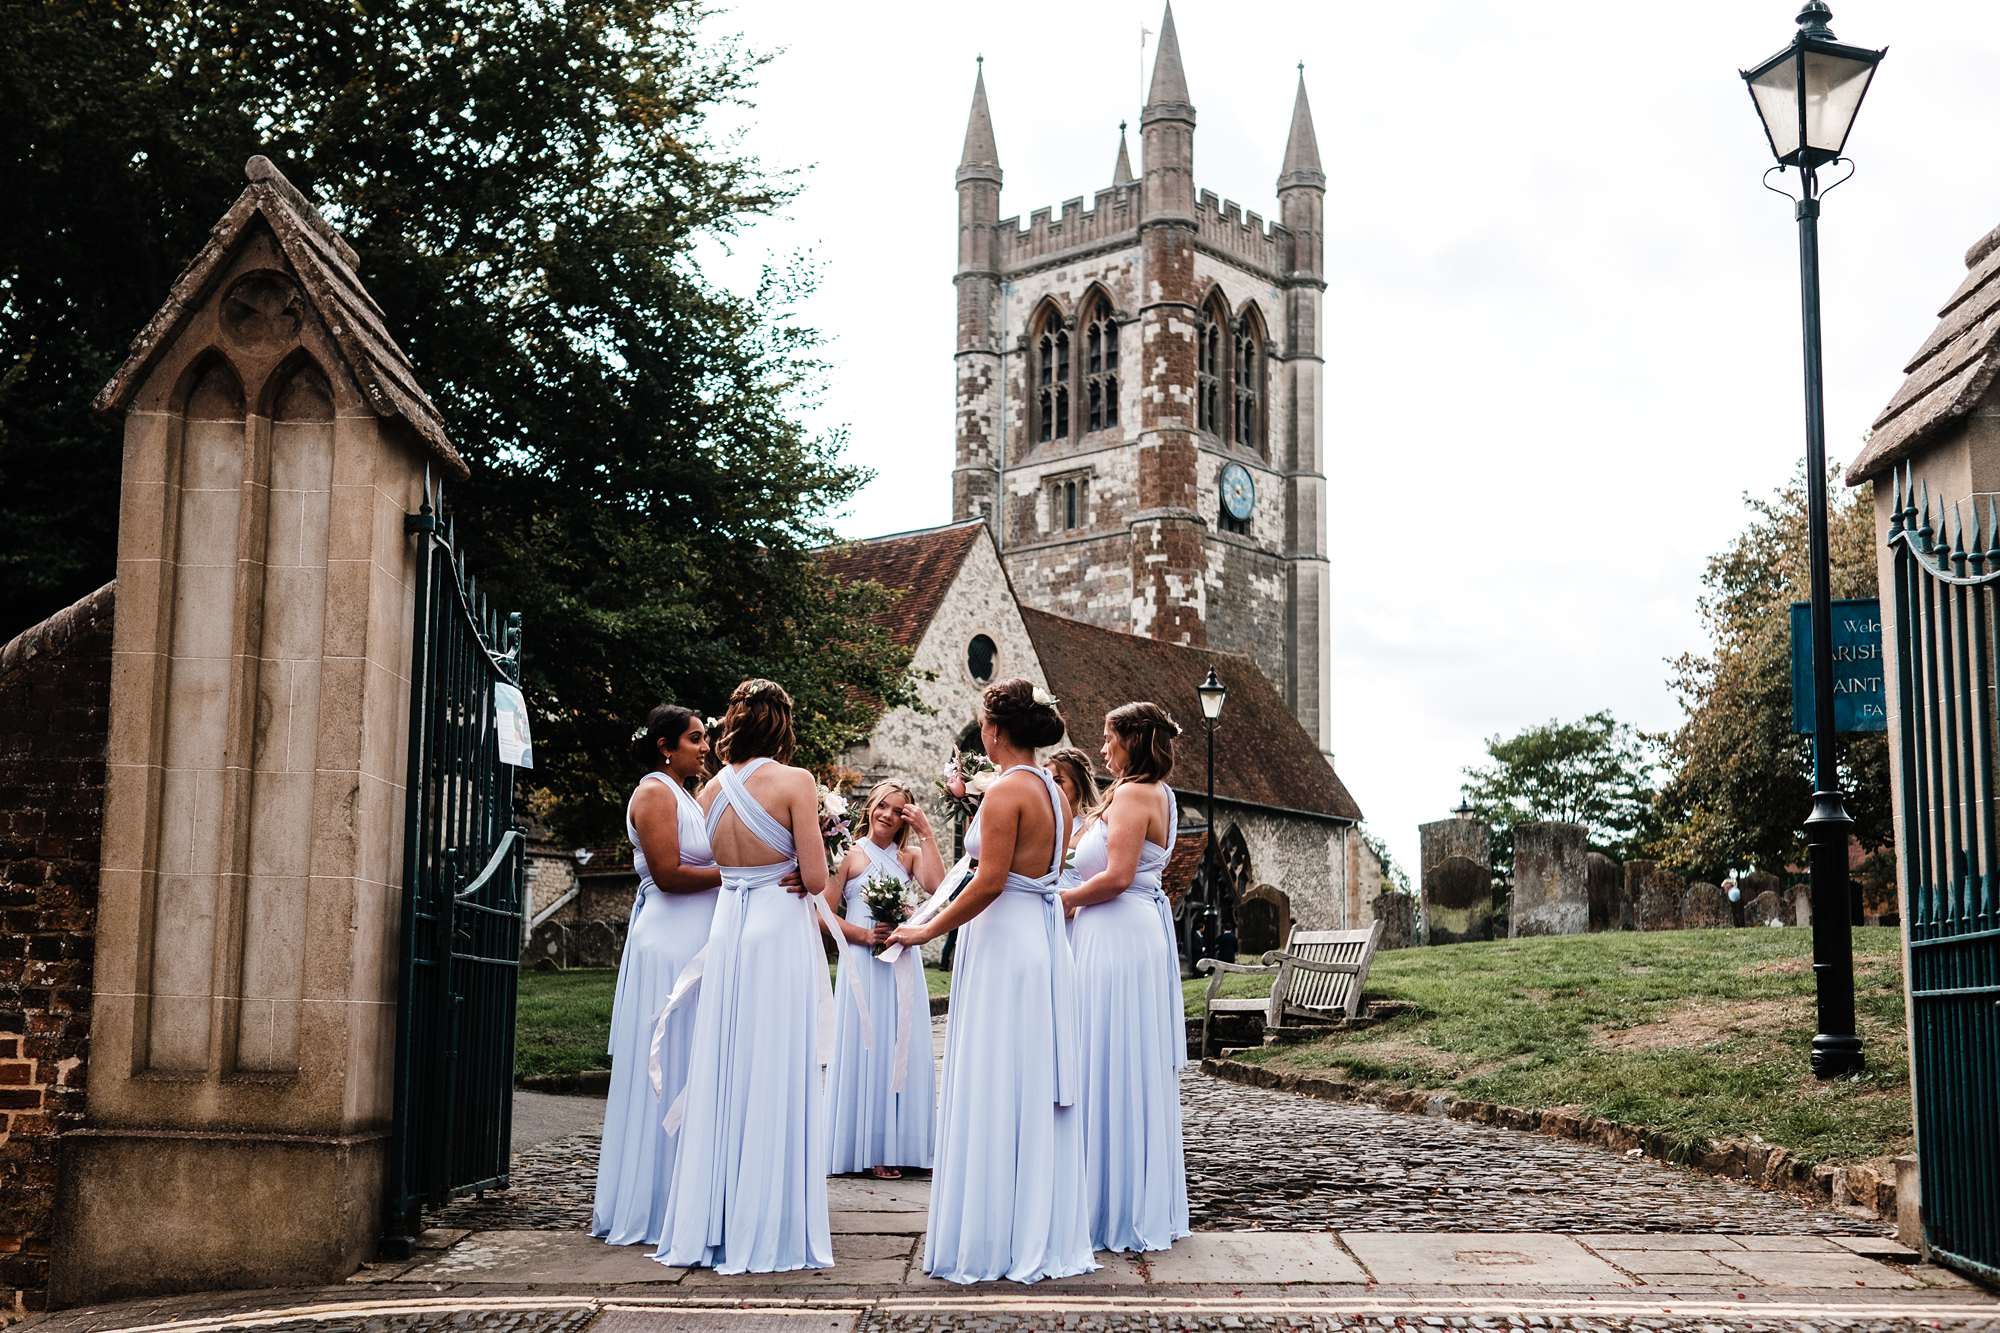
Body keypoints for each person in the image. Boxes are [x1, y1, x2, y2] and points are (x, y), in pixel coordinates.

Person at [886, 678, 1096, 1285]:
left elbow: (989, 880)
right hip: (1037, 938)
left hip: (1006, 942)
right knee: (1024, 1077)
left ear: (993, 730)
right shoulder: (1053, 792)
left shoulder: (1007, 793)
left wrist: (926, 932)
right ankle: (1036, 1223)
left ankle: (996, 1234)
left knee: (997, 1074)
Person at [652, 679, 834, 1274]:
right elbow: (813, 878)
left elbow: (716, 863)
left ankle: (718, 1215)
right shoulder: (796, 782)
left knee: (726, 1065)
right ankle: (772, 1219)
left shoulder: (709, 790)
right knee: (775, 1064)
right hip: (778, 930)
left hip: (729, 929)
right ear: (781, 724)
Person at [1060, 701, 1190, 1254]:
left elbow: (1116, 877)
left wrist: (1058, 900)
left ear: (1133, 741)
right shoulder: (1143, 792)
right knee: (1105, 1057)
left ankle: (1116, 1208)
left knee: (1112, 1057)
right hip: (1112, 932)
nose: (1104, 745)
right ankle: (1107, 1194)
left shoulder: (1139, 795)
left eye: (1110, 738)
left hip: (1118, 936)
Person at [591, 705, 721, 1246]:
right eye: (694, 739)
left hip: (696, 937)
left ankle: (685, 1195)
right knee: (664, 1062)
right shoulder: (653, 794)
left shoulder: (688, 793)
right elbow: (668, 875)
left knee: (693, 1060)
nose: (704, 747)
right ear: (666, 745)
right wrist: (738, 872)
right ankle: (650, 1201)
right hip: (668, 943)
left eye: (705, 738)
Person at [824, 780, 945, 1179]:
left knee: (902, 1046)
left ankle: (905, 1146)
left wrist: (927, 834)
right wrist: (861, 935)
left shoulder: (909, 857)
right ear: (870, 806)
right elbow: (821, 912)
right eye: (882, 806)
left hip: (901, 965)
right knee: (867, 1049)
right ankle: (870, 1147)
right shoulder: (849, 854)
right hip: (863, 966)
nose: (888, 815)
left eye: (898, 811)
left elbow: (937, 888)